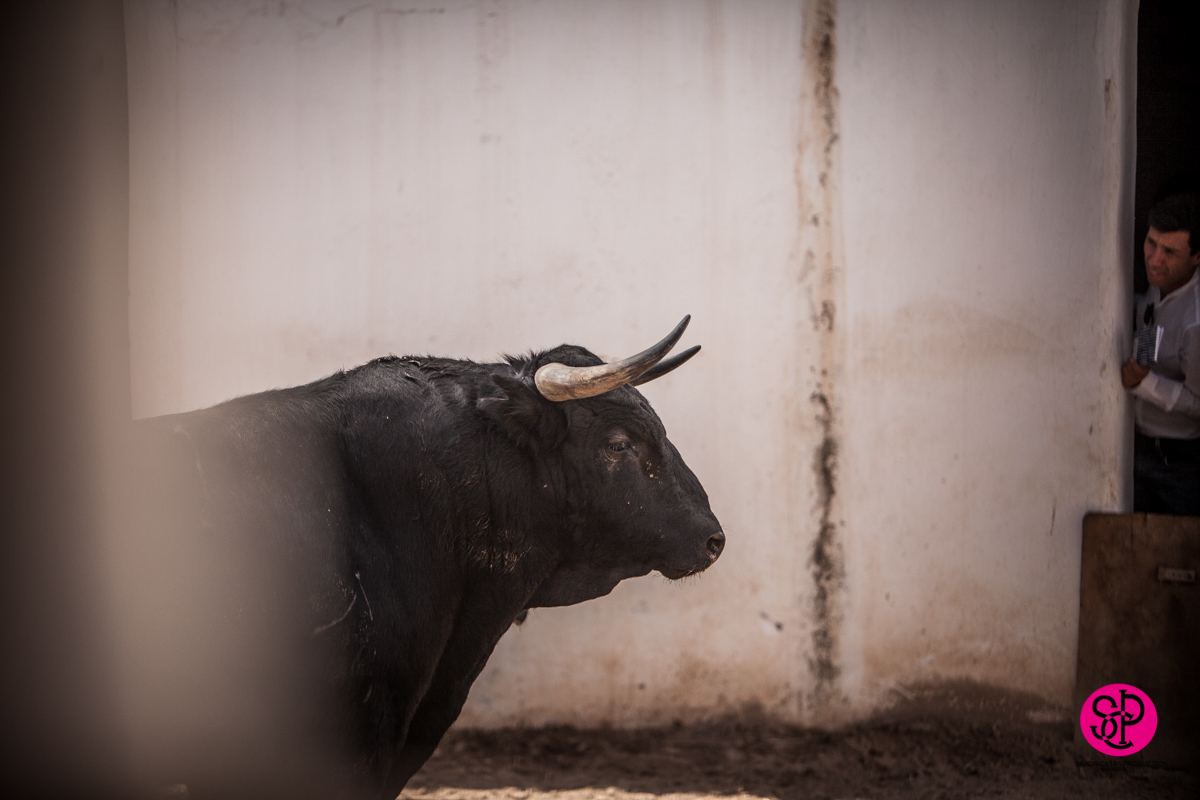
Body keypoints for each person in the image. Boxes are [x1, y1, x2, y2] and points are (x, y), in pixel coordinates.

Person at [1122, 192, 1200, 515]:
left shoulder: (1195, 322)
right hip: (1132, 454)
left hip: (1180, 468)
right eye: (1151, 243)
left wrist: (1145, 383)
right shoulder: (1153, 286)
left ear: (1196, 257)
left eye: (1169, 251)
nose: (1155, 259)